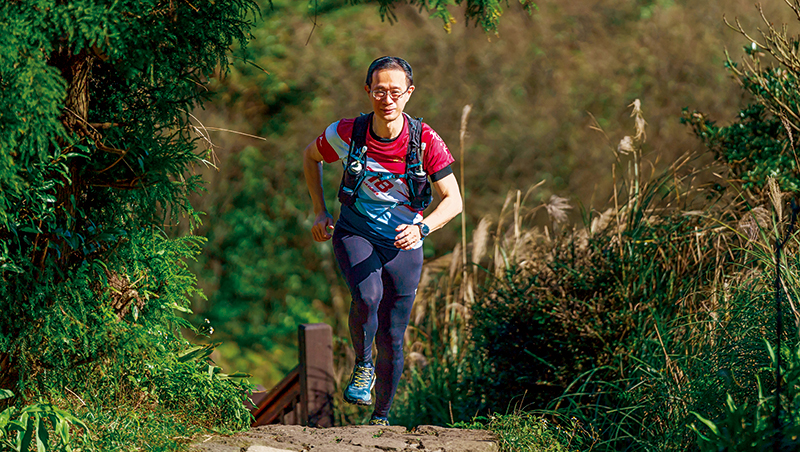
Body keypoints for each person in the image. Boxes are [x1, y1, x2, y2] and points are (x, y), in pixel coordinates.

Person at [302, 56, 462, 426]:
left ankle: (381, 419)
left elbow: (453, 199)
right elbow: (311, 157)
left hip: (406, 245)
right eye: (379, 91)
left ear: (408, 94)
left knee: (393, 334)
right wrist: (319, 210)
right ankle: (363, 366)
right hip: (356, 232)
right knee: (367, 295)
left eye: (394, 91)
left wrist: (423, 228)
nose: (386, 99)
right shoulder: (348, 133)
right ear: (367, 92)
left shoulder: (424, 140)